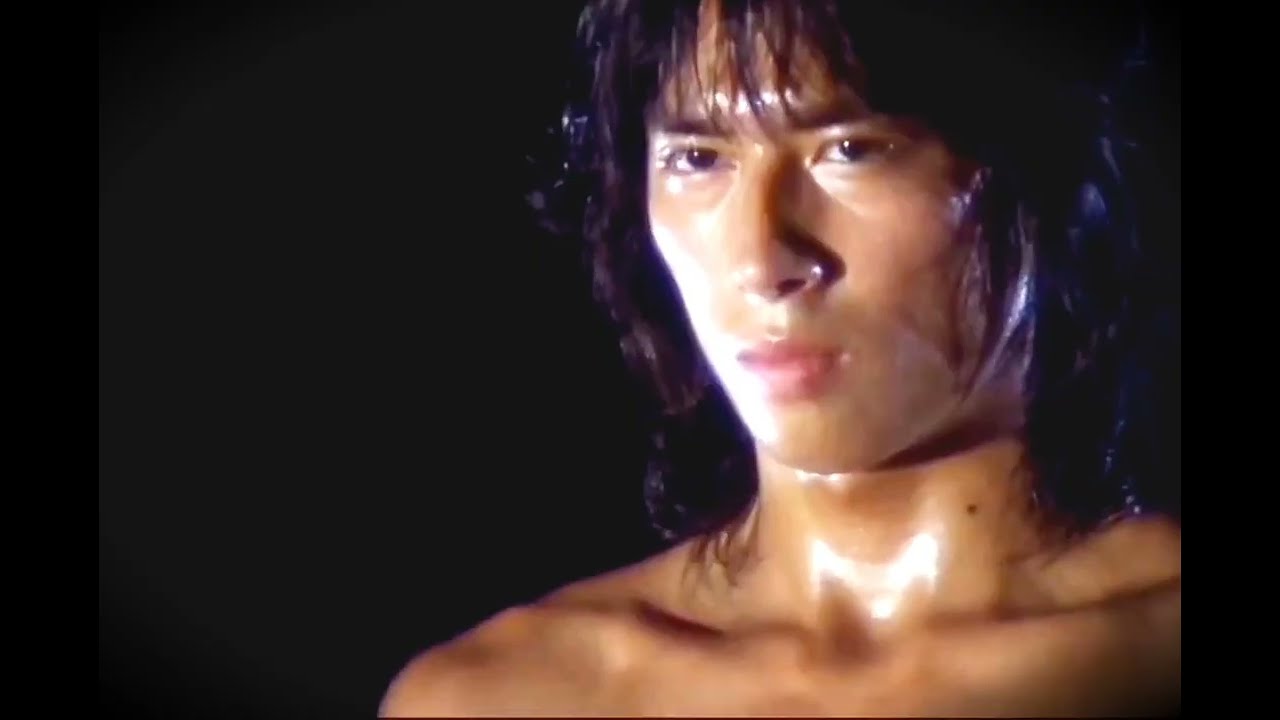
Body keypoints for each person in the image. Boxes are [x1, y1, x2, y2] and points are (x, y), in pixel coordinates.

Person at [381, 0, 1180, 715]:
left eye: (852, 149)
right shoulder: (498, 698)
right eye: (698, 159)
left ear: (1052, 166)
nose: (761, 258)